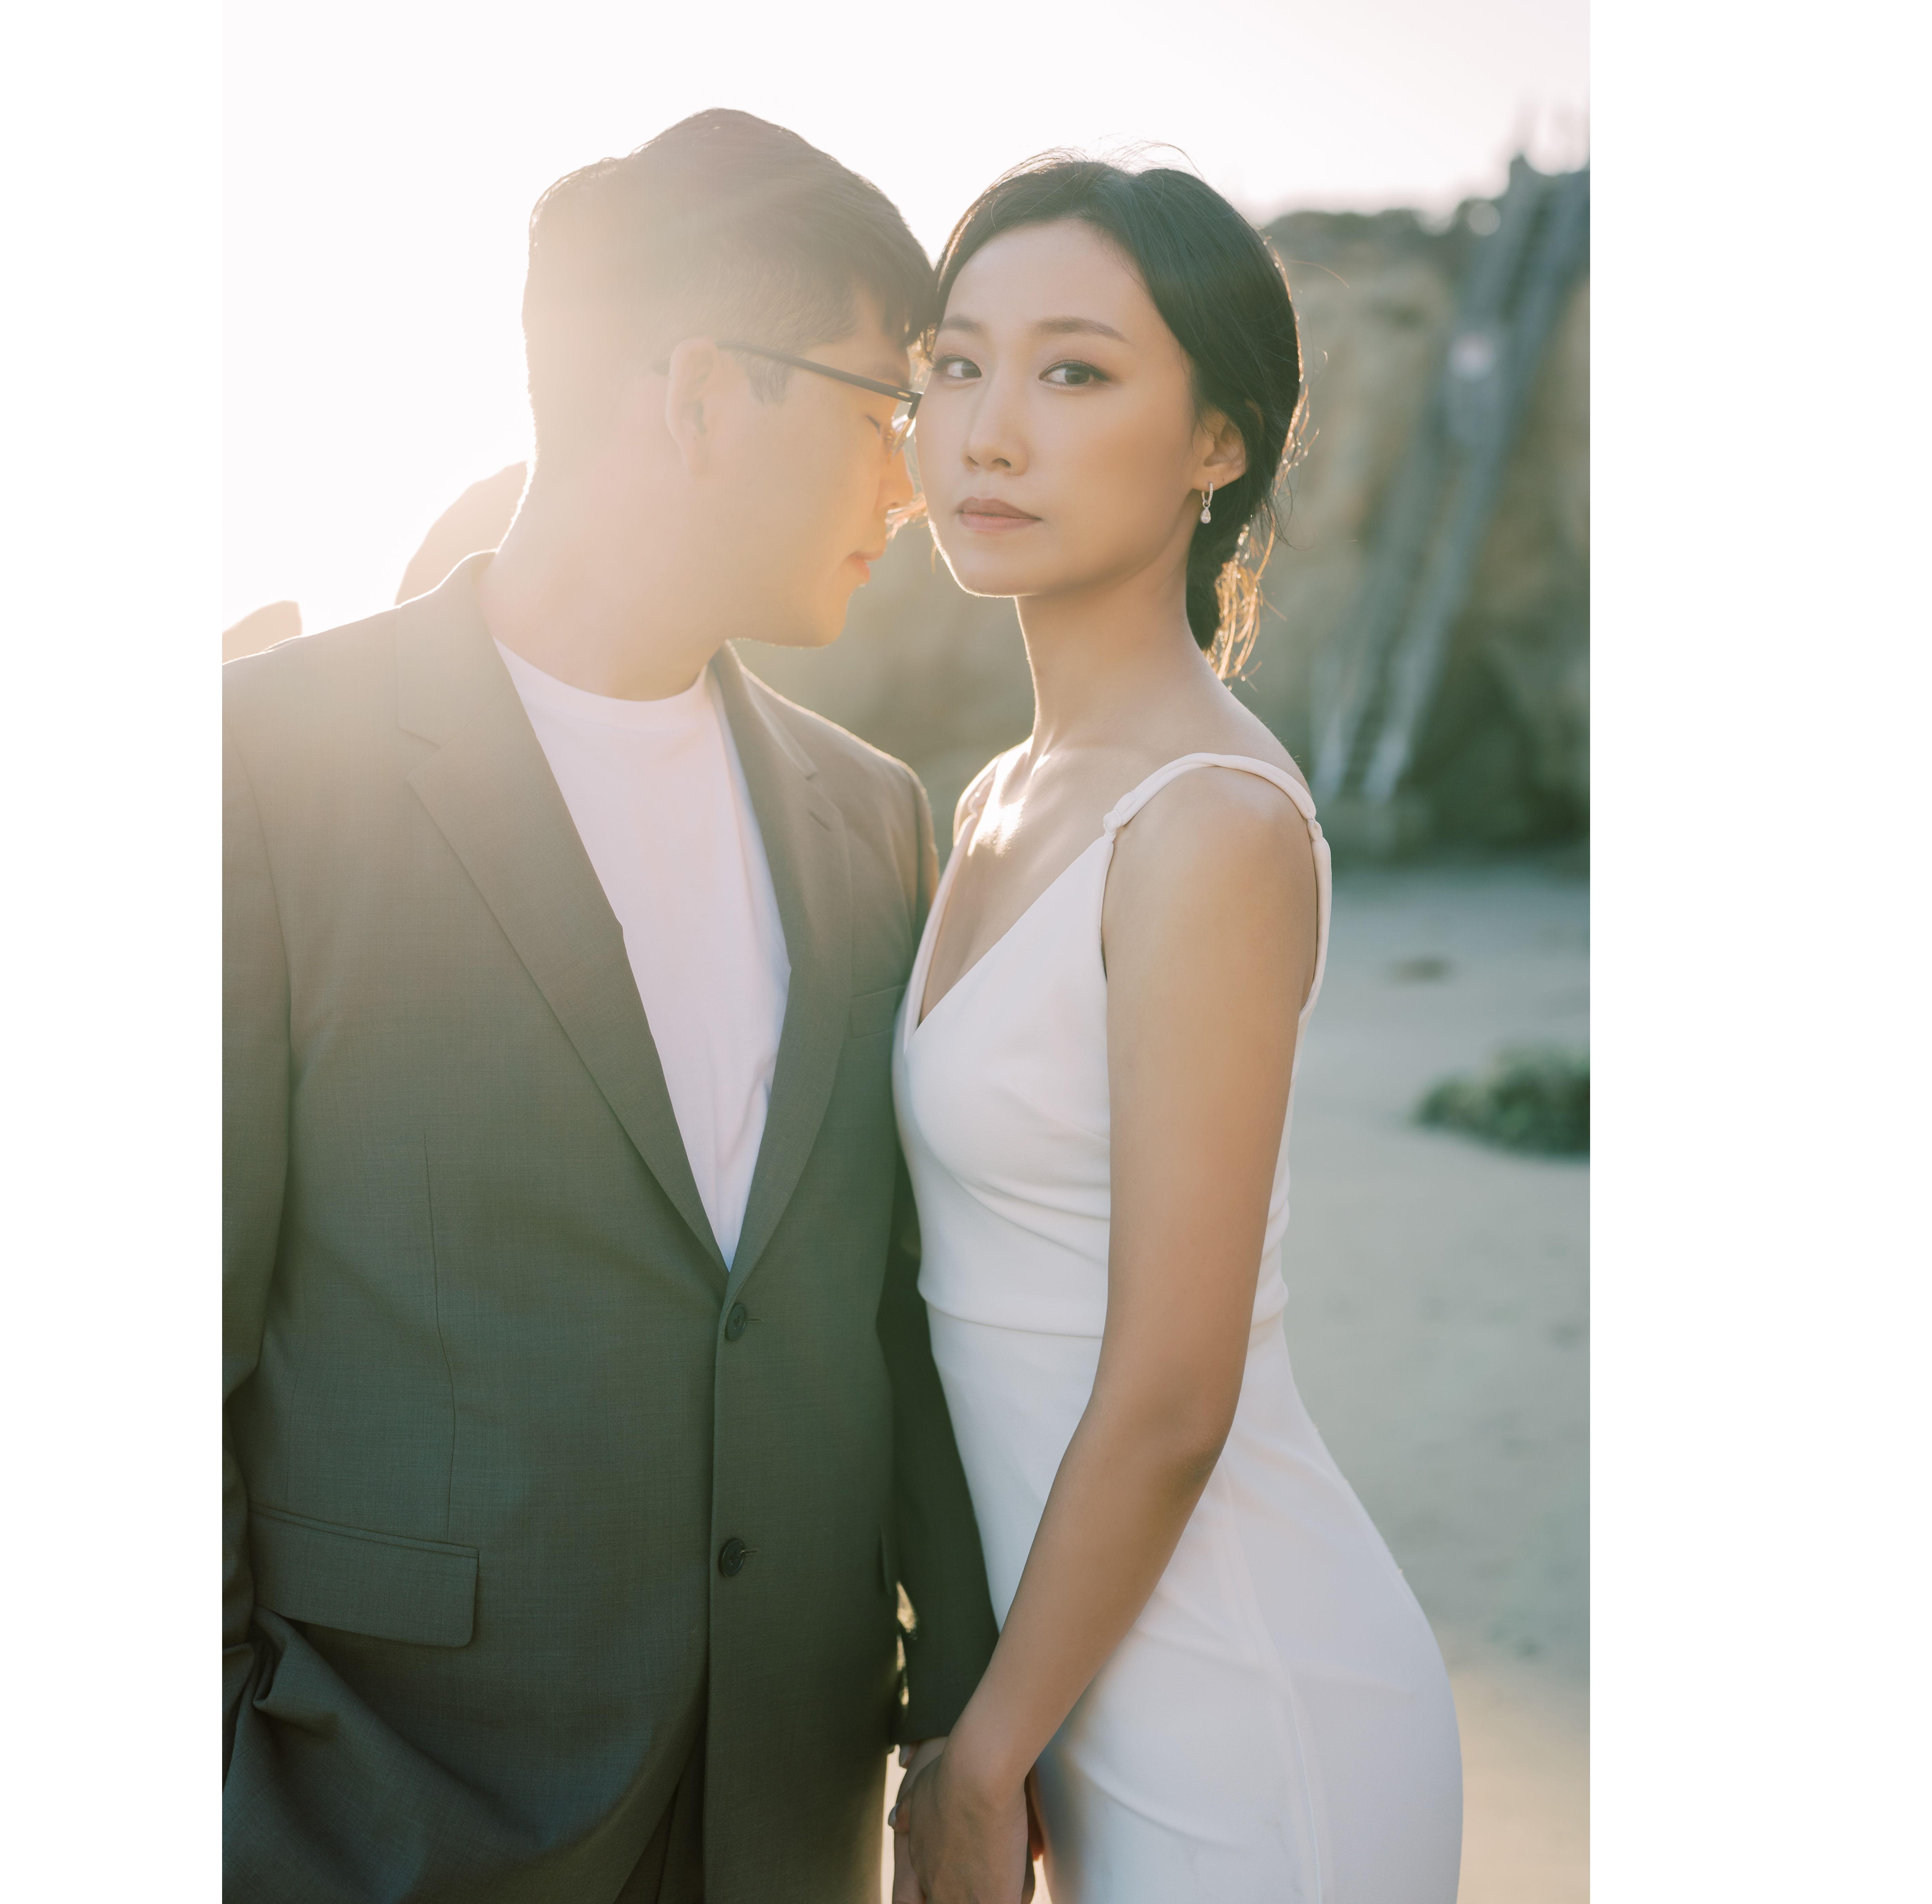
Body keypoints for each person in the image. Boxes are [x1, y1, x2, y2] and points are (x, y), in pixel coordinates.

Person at [224, 109, 999, 1903]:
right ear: (704, 392)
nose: (914, 485)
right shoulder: (261, 768)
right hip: (386, 1817)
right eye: (883, 410)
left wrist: (961, 1720)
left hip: (787, 1812)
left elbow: (896, 1314)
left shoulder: (872, 816)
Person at [889, 159, 1463, 1903]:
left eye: (1073, 371)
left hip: (1245, 1706)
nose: (989, 430)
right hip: (1073, 1695)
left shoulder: (1207, 821)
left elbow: (1170, 1390)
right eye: (955, 363)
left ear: (1217, 442)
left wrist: (979, 1760)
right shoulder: (998, 795)